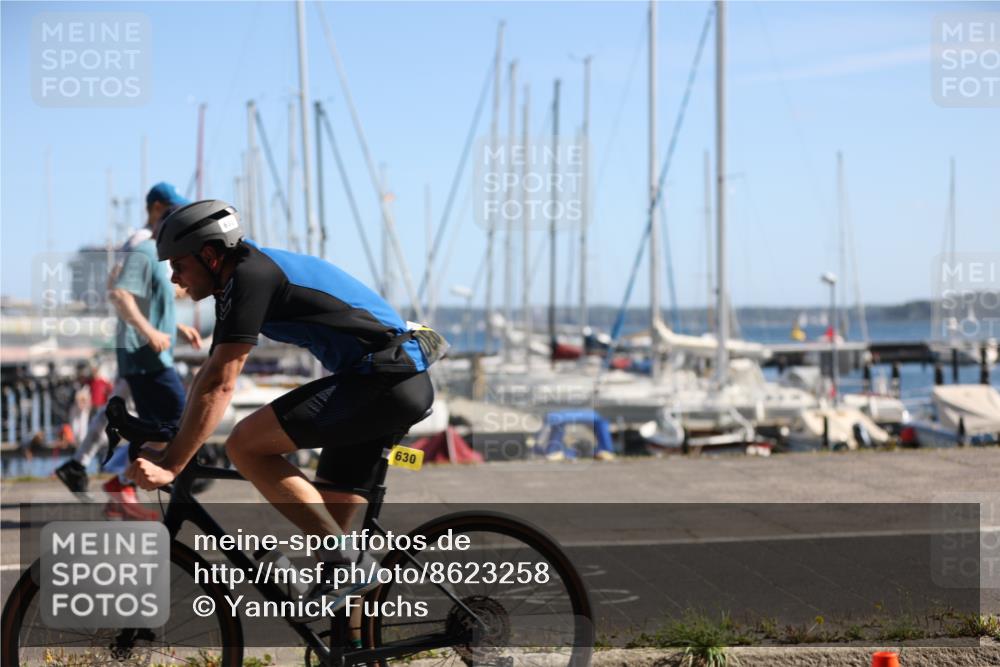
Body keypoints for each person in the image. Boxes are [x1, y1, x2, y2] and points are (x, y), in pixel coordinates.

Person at [128, 199, 437, 614]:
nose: (173, 275)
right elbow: (209, 372)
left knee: (245, 446)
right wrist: (172, 442)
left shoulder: (252, 276)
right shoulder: (235, 282)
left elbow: (222, 385)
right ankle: (357, 647)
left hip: (385, 382)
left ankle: (347, 565)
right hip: (377, 384)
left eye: (179, 264)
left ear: (208, 254)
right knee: (332, 540)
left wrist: (173, 465)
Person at [56, 182, 202, 519]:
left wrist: (173, 328)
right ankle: (120, 482)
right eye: (173, 214)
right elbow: (120, 292)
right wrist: (151, 330)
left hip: (147, 352)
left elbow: (149, 297)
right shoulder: (143, 246)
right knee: (176, 422)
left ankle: (108, 481)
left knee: (153, 422)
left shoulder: (155, 251)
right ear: (157, 211)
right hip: (143, 353)